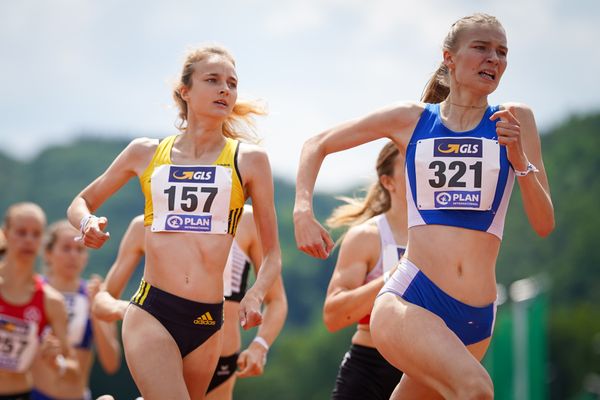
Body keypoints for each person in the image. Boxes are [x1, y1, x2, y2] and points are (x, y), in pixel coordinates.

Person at [293, 13, 554, 399]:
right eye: (481, 48)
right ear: (449, 57)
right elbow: (318, 143)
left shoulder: (515, 119)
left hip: (476, 317)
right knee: (477, 389)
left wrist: (518, 157)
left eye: (502, 52)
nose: (493, 59)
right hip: (411, 298)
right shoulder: (411, 119)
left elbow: (544, 223)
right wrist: (302, 211)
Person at [67, 45, 281, 400]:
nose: (225, 89)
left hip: (208, 322)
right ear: (185, 91)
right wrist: (87, 222)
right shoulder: (146, 152)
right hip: (153, 310)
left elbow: (273, 255)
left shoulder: (251, 160)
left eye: (232, 83)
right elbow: (82, 201)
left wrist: (255, 295)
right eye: (212, 80)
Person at [93, 208, 287, 400]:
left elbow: (276, 300)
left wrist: (260, 346)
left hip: (221, 363)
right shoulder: (145, 224)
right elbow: (101, 300)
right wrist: (133, 309)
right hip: (162, 357)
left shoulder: (245, 220)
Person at [323, 142, 406, 400]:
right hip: (370, 370)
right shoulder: (367, 236)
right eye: (411, 165)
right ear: (388, 182)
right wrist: (392, 277)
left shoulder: (445, 236)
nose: (421, 171)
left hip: (428, 370)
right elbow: (334, 316)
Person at [31, 220, 121, 400]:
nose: (73, 255)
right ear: (48, 253)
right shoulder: (33, 291)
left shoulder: (95, 295)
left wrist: (95, 310)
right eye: (66, 248)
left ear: (86, 257)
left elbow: (111, 364)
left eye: (79, 250)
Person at [0, 203, 78, 400]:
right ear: (6, 234)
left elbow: (73, 370)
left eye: (36, 234)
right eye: (21, 232)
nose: (28, 240)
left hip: (18, 394)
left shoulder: (51, 301)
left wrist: (57, 362)